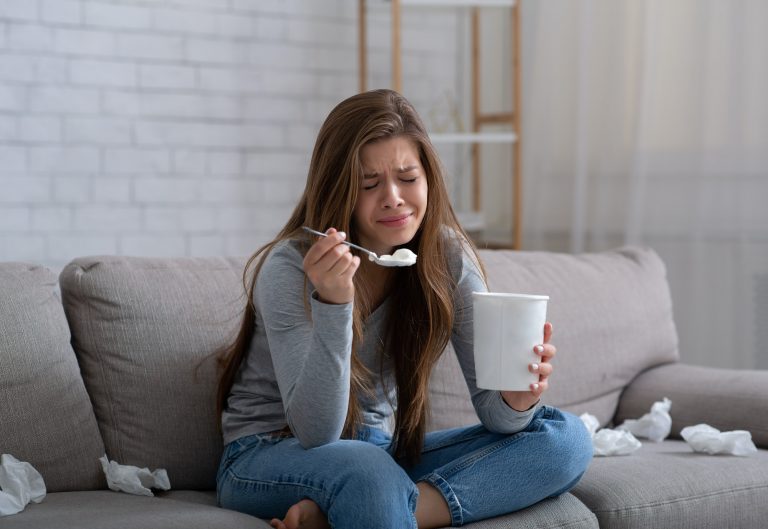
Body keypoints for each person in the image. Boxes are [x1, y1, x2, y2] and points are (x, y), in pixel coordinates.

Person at [215, 89, 592, 529]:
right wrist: (335, 304)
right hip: (265, 455)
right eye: (370, 184)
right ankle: (367, 500)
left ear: (428, 178)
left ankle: (377, 509)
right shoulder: (291, 266)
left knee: (564, 438)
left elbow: (498, 418)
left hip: (375, 451)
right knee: (370, 474)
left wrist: (517, 400)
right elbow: (317, 433)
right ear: (340, 190)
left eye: (408, 178)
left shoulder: (447, 257)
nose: (393, 197)